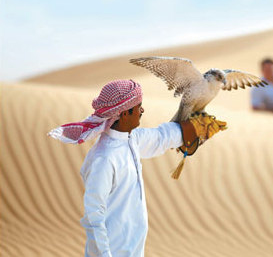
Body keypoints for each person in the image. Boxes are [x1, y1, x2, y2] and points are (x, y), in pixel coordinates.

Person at [47, 79, 226, 257]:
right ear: (124, 114)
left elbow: (160, 137)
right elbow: (94, 218)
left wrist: (194, 129)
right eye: (138, 106)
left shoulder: (132, 139)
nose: (142, 111)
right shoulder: (104, 159)